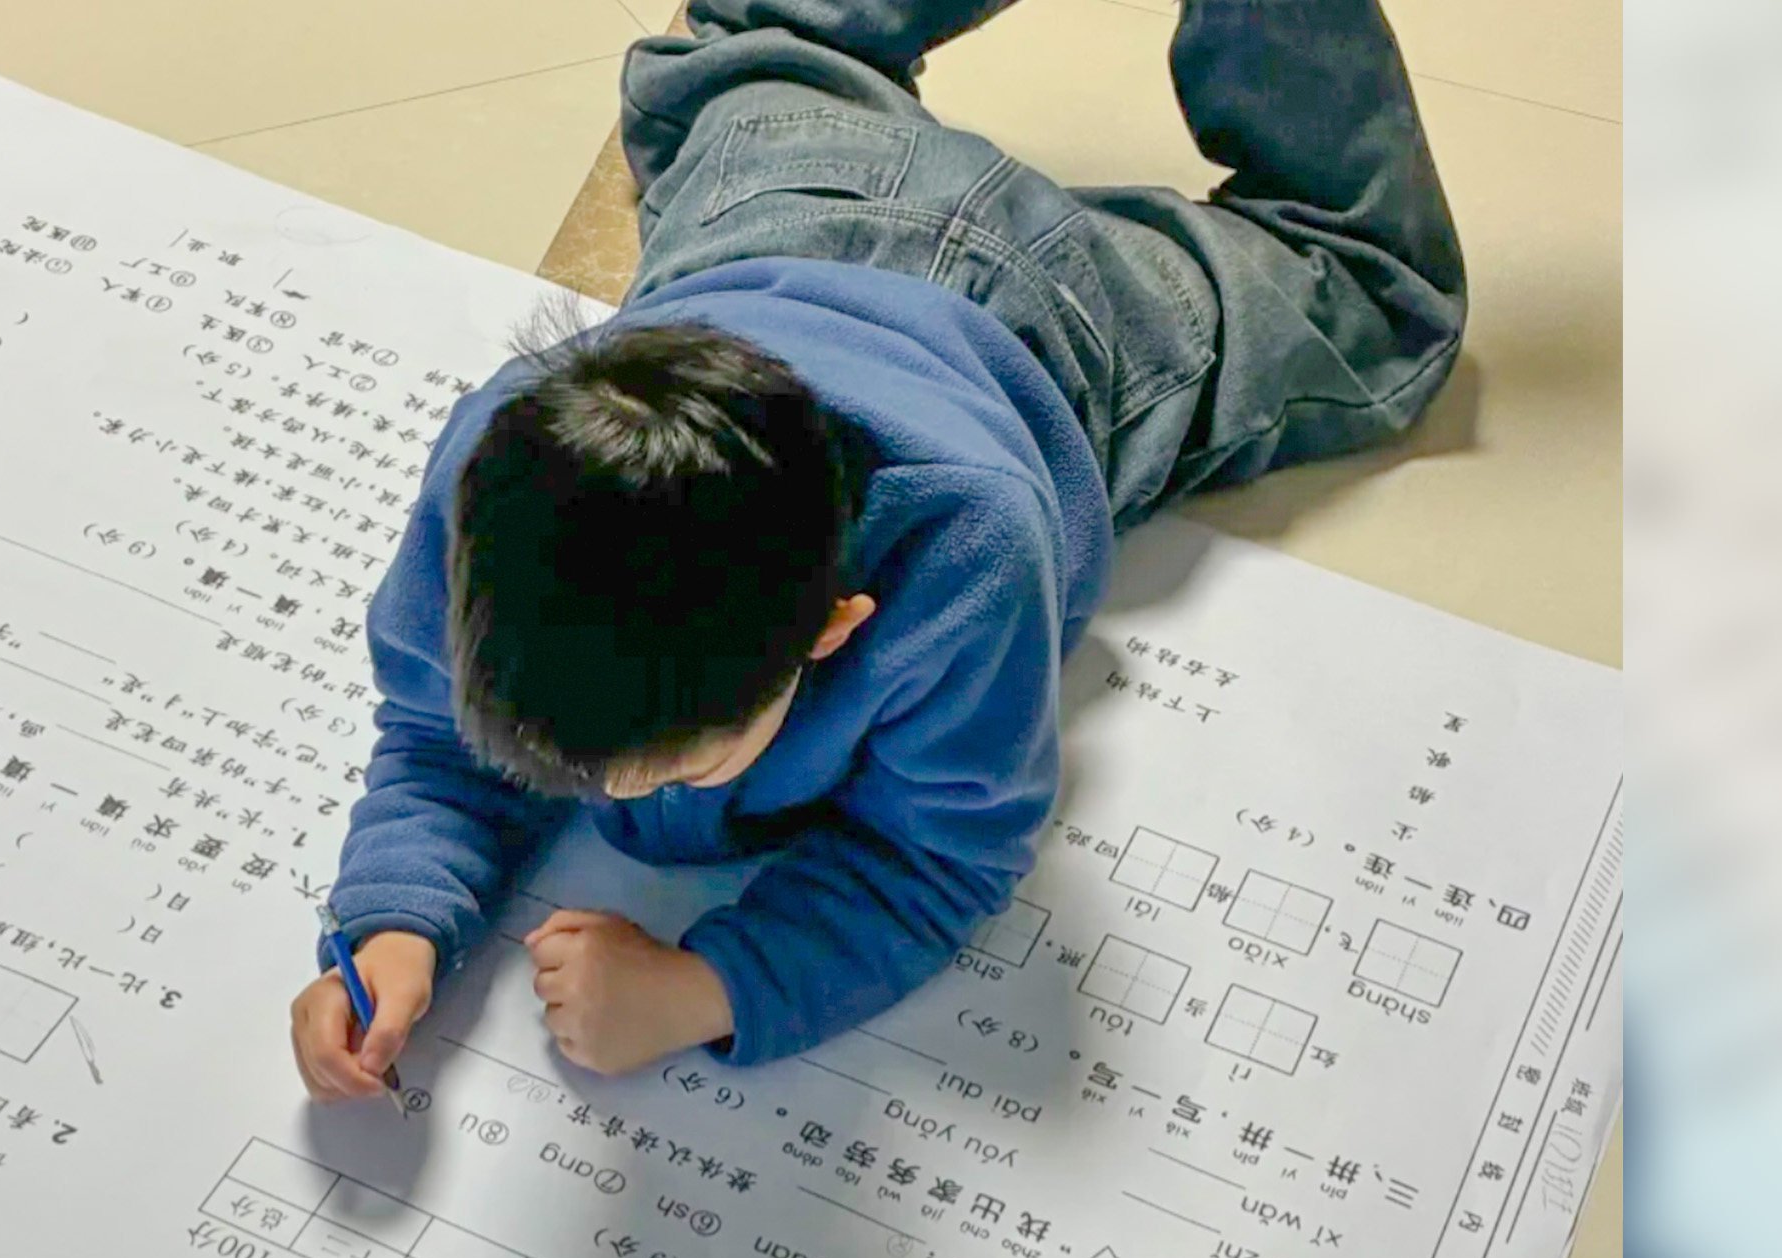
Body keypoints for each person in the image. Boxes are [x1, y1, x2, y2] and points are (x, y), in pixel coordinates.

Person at [291, 0, 1465, 1101]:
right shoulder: (487, 470)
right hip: (782, 186)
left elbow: (941, 852)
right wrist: (396, 916)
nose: (612, 796)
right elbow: (439, 733)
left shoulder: (971, 558)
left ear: (834, 625)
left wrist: (710, 988)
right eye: (565, 757)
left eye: (684, 761)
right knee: (754, 41)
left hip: (1063, 307)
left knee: (1376, 295)